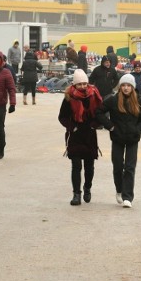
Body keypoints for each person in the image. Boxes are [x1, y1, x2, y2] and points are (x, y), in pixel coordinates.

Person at [97, 73, 141, 208]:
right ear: (120, 87)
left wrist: (138, 130)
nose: (126, 88)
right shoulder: (113, 100)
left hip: (132, 139)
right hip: (117, 138)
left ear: (132, 87)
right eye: (123, 85)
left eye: (128, 86)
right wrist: (110, 126)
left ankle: (128, 197)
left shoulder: (139, 100)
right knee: (118, 166)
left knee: (130, 168)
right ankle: (119, 189)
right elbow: (99, 112)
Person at [58, 69, 103, 206]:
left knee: (89, 166)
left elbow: (101, 114)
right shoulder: (68, 97)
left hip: (89, 134)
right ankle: (76, 193)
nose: (83, 86)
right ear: (74, 85)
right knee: (76, 165)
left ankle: (87, 188)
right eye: (80, 84)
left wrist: (94, 125)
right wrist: (72, 127)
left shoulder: (94, 94)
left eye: (84, 83)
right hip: (76, 134)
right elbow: (62, 117)